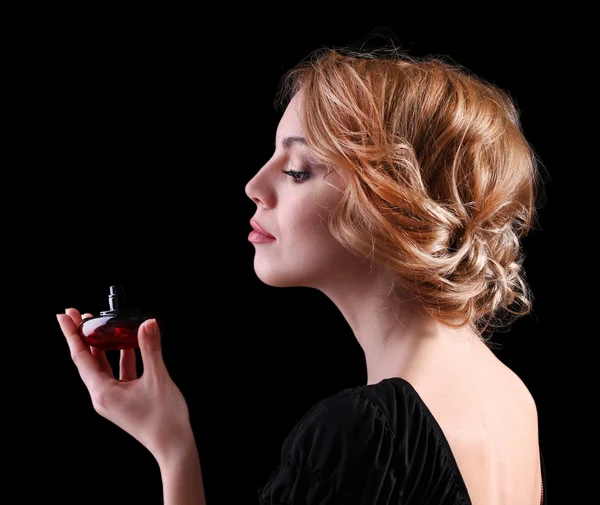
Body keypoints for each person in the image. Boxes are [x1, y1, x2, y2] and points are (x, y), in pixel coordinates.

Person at [57, 37, 547, 505]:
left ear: (394, 201)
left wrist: (173, 452)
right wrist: (171, 444)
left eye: (297, 170)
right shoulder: (511, 398)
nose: (254, 185)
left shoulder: (364, 430)